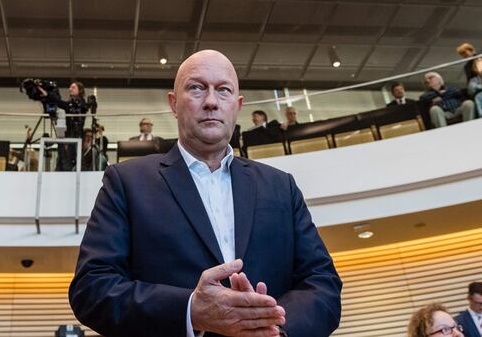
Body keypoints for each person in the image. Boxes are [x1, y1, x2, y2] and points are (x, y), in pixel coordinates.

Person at [69, 50, 341, 337]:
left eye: (223, 90)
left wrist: (277, 328)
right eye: (196, 88)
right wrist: (189, 310)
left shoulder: (280, 186)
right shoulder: (126, 182)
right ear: (174, 103)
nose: (211, 102)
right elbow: (92, 287)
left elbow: (322, 281)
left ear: (237, 106)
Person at [40, 82, 87, 171]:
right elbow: (61, 104)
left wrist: (48, 95)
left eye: (73, 87)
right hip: (68, 137)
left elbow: (61, 103)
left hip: (74, 138)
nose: (70, 89)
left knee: (68, 163)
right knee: (62, 162)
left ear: (80, 90)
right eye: (70, 87)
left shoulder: (79, 103)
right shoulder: (71, 104)